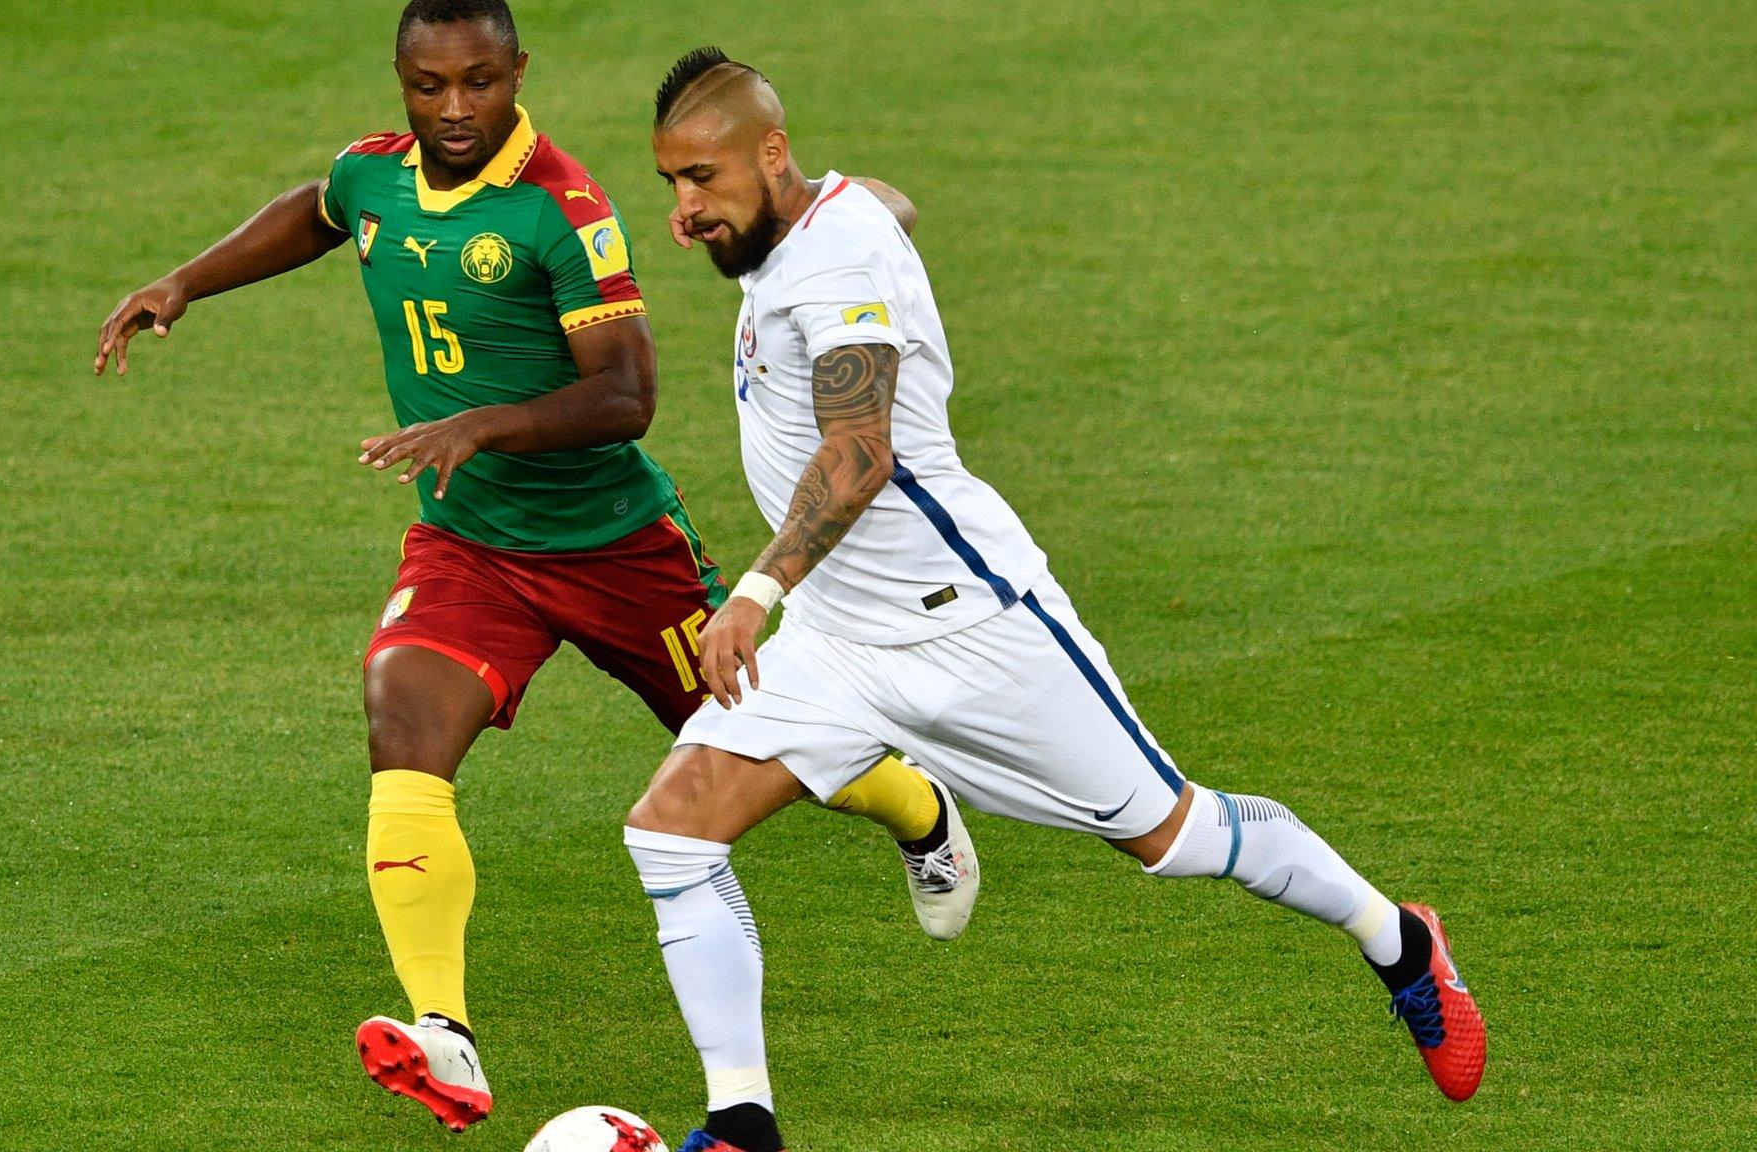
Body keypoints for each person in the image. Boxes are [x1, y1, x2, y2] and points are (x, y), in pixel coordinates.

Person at [92, 2, 979, 1134]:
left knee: (766, 742)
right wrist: (184, 282)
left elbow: (626, 395)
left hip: (614, 550)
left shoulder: (564, 212)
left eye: (476, 82)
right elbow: (316, 214)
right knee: (401, 717)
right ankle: (444, 1034)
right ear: (400, 82)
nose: (451, 109)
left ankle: (914, 803)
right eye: (426, 86)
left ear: (517, 72)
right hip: (471, 546)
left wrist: (484, 426)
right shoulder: (376, 176)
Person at [627, 48, 1489, 1152]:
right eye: (671, 185)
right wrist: (866, 221)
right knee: (670, 833)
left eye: (701, 178)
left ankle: (1400, 941)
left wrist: (749, 596)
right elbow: (884, 202)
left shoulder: (825, 261)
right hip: (840, 639)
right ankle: (741, 1126)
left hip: (973, 627)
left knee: (1174, 833)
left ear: (772, 152)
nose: (685, 209)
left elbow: (858, 451)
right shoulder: (808, 223)